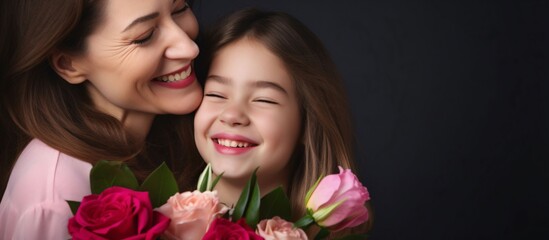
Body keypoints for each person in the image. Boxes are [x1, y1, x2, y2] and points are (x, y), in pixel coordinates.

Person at [0, 0, 205, 239]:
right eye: (145, 36)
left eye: (179, 9)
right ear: (69, 64)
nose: (189, 48)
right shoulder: (55, 197)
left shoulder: (184, 135)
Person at [193, 8, 373, 237]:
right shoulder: (151, 221)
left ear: (308, 124)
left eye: (264, 99)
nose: (232, 115)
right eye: (216, 94)